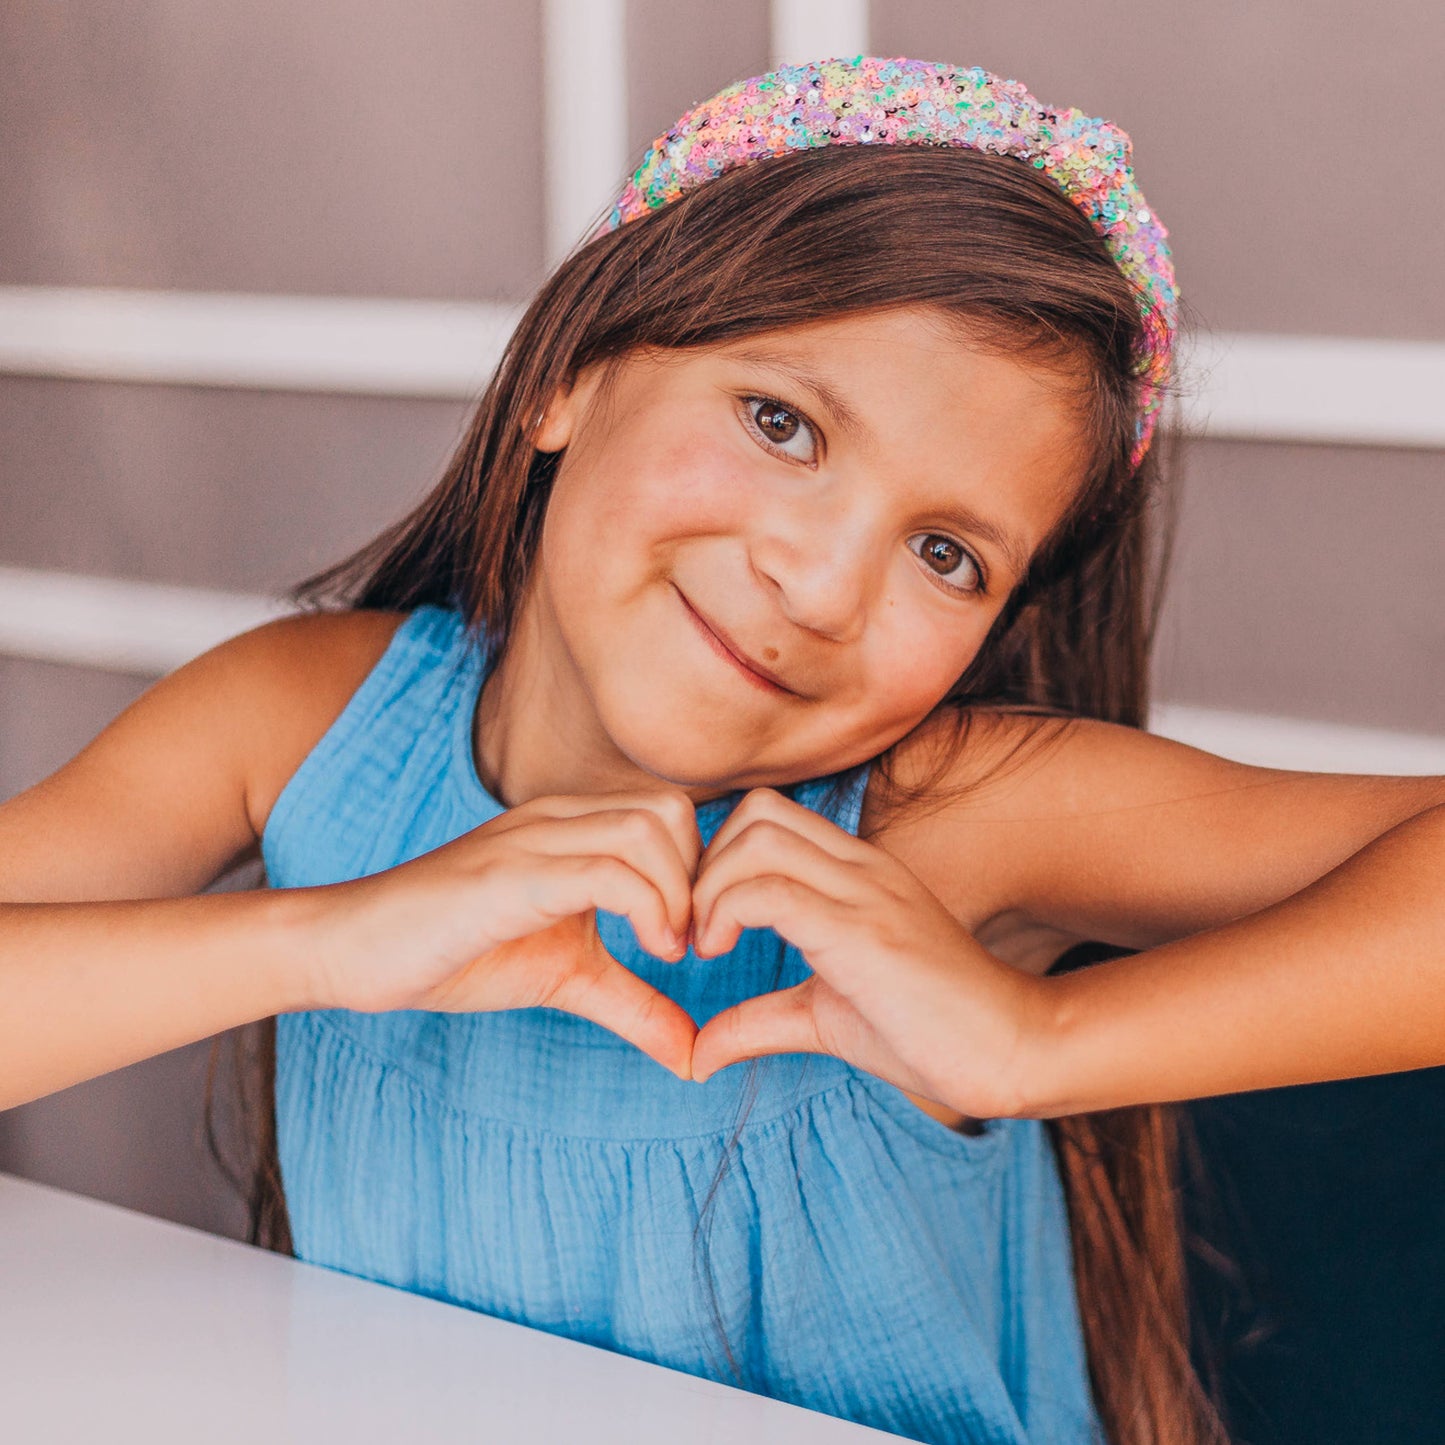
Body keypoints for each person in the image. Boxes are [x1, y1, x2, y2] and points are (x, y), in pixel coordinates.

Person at [2, 53, 1441, 1445]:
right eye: (780, 422)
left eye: (944, 552)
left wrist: (1036, 1041)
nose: (820, 585)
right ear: (566, 375)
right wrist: (330, 940)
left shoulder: (945, 817)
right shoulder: (299, 719)